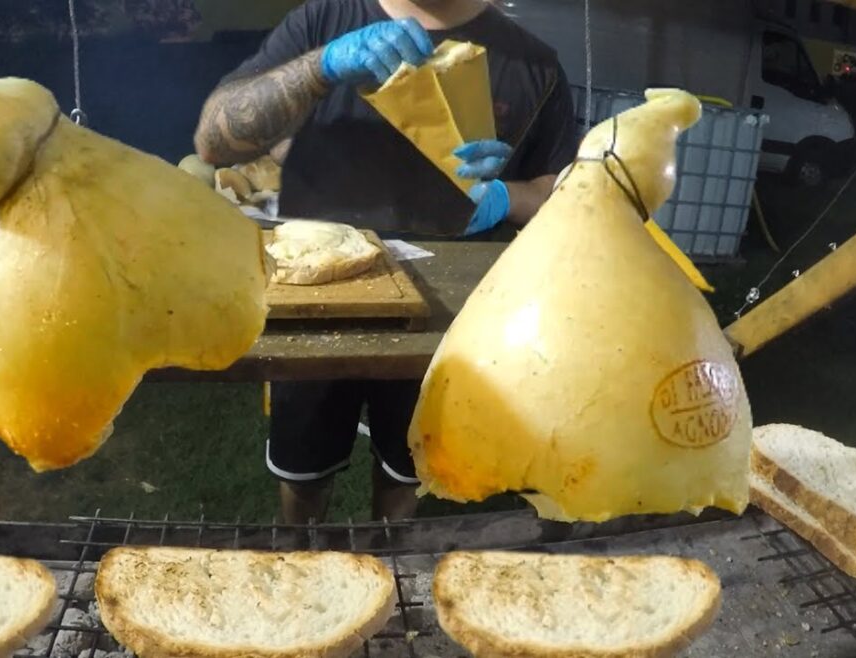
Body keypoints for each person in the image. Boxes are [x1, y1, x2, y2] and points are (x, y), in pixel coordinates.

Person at [194, 0, 578, 524]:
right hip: (318, 298)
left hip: (447, 319)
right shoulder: (324, 21)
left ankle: (390, 566)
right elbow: (215, 140)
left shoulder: (534, 64)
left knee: (407, 472)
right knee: (303, 474)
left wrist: (505, 197)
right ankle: (299, 561)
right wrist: (321, 66)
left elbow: (563, 191)